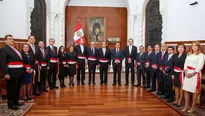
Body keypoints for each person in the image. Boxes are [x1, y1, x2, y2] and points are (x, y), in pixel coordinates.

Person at [0, 35, 24, 110]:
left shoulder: (15, 49)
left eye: (12, 39)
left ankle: (16, 102)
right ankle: (11, 104)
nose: (12, 40)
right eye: (10, 39)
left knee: (17, 88)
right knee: (11, 89)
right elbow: (3, 63)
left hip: (19, 72)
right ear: (5, 41)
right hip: (11, 73)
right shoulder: (4, 49)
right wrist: (6, 73)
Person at [181, 41, 205, 113]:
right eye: (193, 45)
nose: (194, 47)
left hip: (195, 74)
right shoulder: (189, 54)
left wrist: (192, 74)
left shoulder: (201, 55)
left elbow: (200, 66)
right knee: (186, 90)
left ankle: (193, 106)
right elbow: (186, 63)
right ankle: (186, 105)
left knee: (194, 91)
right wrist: (185, 72)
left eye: (196, 46)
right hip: (187, 73)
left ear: (198, 47)